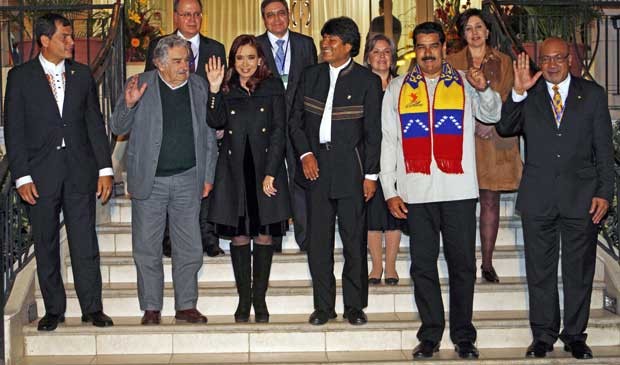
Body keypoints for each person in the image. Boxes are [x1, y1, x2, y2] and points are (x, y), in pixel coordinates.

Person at [381, 22, 502, 359]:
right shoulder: (396, 88)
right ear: (414, 50)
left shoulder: (465, 83)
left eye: (434, 45)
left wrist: (485, 90)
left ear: (445, 48)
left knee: (462, 264)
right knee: (422, 265)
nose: (428, 52)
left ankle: (464, 336)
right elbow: (389, 141)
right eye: (421, 46)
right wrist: (390, 189)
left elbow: (493, 115)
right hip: (415, 192)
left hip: (459, 189)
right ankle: (431, 335)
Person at [496, 38, 614, 360]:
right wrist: (517, 93)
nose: (551, 64)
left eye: (558, 58)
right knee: (540, 271)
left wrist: (605, 192)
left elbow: (604, 150)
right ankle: (543, 336)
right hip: (538, 198)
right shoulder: (528, 93)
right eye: (545, 58)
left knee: (579, 271)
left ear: (570, 59)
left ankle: (575, 335)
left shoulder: (592, 95)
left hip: (582, 197)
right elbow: (505, 127)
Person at [4, 13, 114, 331]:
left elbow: (94, 123)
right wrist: (22, 176)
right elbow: (15, 130)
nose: (71, 42)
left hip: (80, 171)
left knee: (84, 243)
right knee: (47, 242)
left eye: (71, 36)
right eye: (64, 37)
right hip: (40, 176)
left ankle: (92, 308)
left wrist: (105, 168)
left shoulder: (82, 75)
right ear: (44, 40)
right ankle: (54, 309)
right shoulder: (20, 77)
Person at [110, 35, 218, 326]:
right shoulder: (141, 84)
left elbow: (209, 135)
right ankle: (151, 307)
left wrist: (208, 175)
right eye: (178, 61)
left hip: (188, 178)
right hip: (150, 180)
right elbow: (117, 126)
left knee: (190, 246)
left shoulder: (198, 86)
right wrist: (129, 105)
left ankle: (186, 305)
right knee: (147, 246)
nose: (186, 66)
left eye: (187, 60)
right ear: (159, 63)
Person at [289, 17, 382, 326]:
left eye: (332, 41)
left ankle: (354, 307)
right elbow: (295, 122)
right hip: (315, 168)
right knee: (319, 243)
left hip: (352, 171)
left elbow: (373, 133)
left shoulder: (367, 81)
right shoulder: (310, 75)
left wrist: (371, 175)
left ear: (349, 47)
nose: (324, 45)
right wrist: (305, 154)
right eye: (324, 39)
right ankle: (323, 306)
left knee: (354, 242)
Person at [206, 35, 290, 323]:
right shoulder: (226, 89)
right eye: (239, 58)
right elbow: (215, 122)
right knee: (240, 234)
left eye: (251, 57)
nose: (245, 64)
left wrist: (271, 171)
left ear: (261, 60)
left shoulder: (272, 87)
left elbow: (280, 131)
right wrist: (215, 89)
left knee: (264, 233)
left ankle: (260, 299)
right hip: (233, 170)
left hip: (265, 169)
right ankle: (244, 300)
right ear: (233, 61)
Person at [145, 0, 226, 258]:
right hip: (173, 129)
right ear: (176, 17)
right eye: (186, 14)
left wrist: (218, 120)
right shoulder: (159, 47)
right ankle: (169, 238)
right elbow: (151, 89)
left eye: (197, 14)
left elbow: (221, 88)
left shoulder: (216, 47)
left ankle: (207, 236)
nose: (192, 19)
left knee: (205, 182)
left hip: (204, 127)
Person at [447, 8, 522, 283]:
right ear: (462, 33)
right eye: (468, 28)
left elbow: (511, 99)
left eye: (479, 27)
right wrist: (471, 122)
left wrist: (492, 122)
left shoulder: (504, 62)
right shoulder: (451, 62)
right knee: (463, 204)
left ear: (488, 31)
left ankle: (487, 263)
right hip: (461, 139)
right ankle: (464, 262)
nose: (475, 33)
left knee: (490, 200)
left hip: (495, 140)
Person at [256, 0, 318, 253]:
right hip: (268, 124)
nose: (277, 19)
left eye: (281, 13)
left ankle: (306, 237)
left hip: (299, 123)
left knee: (301, 180)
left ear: (289, 15)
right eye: (270, 15)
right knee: (273, 179)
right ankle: (276, 235)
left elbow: (314, 83)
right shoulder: (255, 45)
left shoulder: (305, 44)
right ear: (264, 19)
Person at [362, 33, 403, 286]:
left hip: (398, 157)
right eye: (376, 52)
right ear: (368, 56)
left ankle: (391, 266)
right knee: (372, 213)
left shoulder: (403, 85)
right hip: (368, 158)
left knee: (394, 213)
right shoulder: (359, 84)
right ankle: (376, 266)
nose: (381, 57)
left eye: (386, 51)